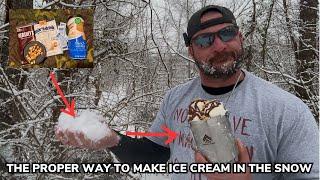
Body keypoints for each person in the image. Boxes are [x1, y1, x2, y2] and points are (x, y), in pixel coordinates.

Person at [55, 5, 319, 180]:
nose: (218, 46)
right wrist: (112, 140)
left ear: (240, 37)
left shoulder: (286, 110)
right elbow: (156, 155)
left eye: (226, 34)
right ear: (191, 50)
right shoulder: (175, 98)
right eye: (204, 40)